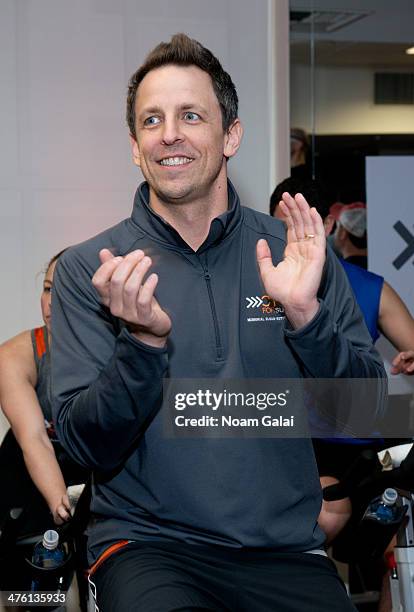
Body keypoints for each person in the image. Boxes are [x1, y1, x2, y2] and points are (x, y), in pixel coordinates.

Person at [52, 34, 386, 611]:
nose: (169, 133)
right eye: (151, 120)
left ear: (231, 134)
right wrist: (141, 343)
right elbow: (84, 446)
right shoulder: (95, 270)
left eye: (190, 115)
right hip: (149, 549)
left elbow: (362, 412)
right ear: (135, 146)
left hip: (285, 552)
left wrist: (306, 317)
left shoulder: (294, 254)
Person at [270, 176, 414, 542]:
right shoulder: (263, 286)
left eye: (302, 225)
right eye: (280, 226)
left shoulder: (368, 287)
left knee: (384, 544)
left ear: (328, 225)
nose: (289, 237)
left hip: (356, 447)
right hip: (290, 441)